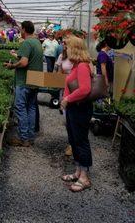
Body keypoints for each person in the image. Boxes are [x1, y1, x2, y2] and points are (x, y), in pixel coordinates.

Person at [61, 36, 93, 192]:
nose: (65, 49)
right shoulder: (76, 65)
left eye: (67, 46)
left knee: (81, 141)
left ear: (74, 48)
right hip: (74, 108)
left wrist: (67, 99)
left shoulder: (82, 66)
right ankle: (78, 172)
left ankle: (85, 178)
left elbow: (85, 89)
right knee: (74, 140)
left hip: (80, 108)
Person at [4, 21, 43, 147]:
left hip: (24, 80)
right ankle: (30, 137)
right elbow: (29, 59)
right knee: (31, 107)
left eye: (21, 29)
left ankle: (23, 138)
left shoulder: (26, 43)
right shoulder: (37, 42)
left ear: (24, 29)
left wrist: (12, 66)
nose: (20, 30)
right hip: (36, 78)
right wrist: (18, 56)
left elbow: (24, 62)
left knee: (20, 108)